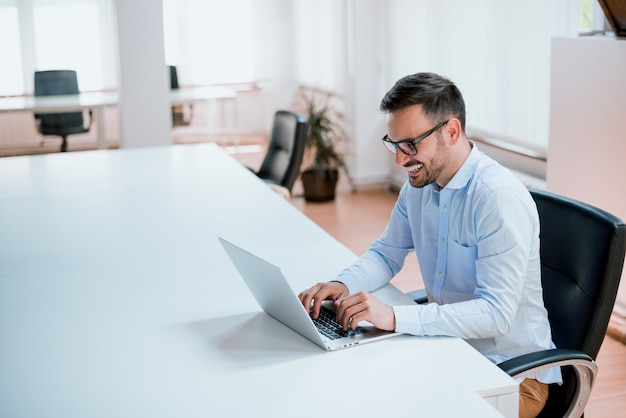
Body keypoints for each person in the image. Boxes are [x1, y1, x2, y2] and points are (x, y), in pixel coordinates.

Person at [298, 72, 561, 418]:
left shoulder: (497, 199)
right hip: (448, 349)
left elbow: (495, 315)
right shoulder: (419, 187)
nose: (399, 160)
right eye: (394, 145)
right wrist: (343, 283)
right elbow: (386, 253)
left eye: (410, 145)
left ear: (451, 132)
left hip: (510, 376)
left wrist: (393, 315)